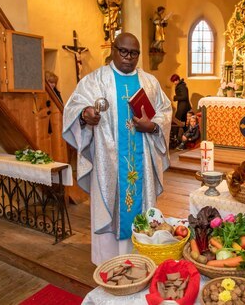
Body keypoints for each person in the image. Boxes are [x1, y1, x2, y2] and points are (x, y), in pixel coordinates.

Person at [62, 32, 172, 265]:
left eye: (134, 53)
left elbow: (165, 111)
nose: (128, 58)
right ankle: (109, 263)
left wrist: (152, 126)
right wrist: (85, 115)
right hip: (108, 163)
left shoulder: (149, 83)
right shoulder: (95, 80)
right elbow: (74, 106)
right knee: (109, 207)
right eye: (123, 51)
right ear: (113, 49)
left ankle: (142, 258)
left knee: (140, 211)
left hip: (141, 164)